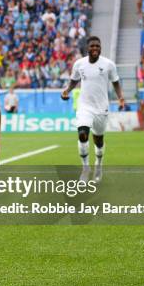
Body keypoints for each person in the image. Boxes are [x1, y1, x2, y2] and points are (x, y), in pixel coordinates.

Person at [61, 35, 124, 183]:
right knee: (82, 133)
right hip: (85, 107)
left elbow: (115, 82)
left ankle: (99, 164)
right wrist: (66, 91)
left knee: (98, 141)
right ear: (87, 48)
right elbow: (74, 81)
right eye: (92, 46)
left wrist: (120, 97)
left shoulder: (109, 64)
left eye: (97, 46)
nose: (95, 48)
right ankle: (85, 169)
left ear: (100, 47)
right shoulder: (79, 64)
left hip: (102, 108)